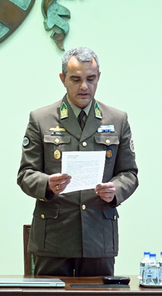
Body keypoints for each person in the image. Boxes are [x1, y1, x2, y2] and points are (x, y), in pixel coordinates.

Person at [17, 47, 138, 276]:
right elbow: (26, 174)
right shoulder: (41, 119)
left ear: (98, 77)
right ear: (63, 79)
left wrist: (115, 190)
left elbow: (129, 173)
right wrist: (47, 184)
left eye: (90, 79)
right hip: (54, 235)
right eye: (76, 79)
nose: (84, 86)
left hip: (98, 234)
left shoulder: (117, 120)